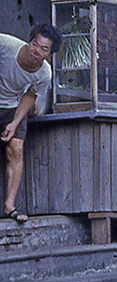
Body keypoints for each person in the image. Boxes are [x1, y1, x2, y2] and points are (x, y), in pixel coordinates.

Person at [1, 24, 62, 224]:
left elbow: (30, 95)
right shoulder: (6, 44)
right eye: (35, 44)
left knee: (16, 148)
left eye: (44, 49)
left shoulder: (44, 73)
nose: (36, 50)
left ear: (49, 54)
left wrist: (14, 122)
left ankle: (10, 206)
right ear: (29, 41)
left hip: (12, 106)